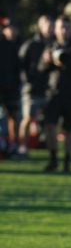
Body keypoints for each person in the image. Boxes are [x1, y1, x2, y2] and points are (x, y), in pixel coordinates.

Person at [38, 15, 71, 173]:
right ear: (56, 29)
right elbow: (40, 69)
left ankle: (67, 162)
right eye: (61, 27)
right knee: (50, 125)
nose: (64, 31)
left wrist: (65, 62)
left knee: (68, 129)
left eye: (67, 27)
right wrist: (47, 61)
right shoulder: (51, 45)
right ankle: (53, 159)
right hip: (53, 92)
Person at [18, 15, 54, 156]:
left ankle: (51, 152)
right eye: (46, 25)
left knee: (50, 122)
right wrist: (28, 81)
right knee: (28, 118)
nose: (49, 28)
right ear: (40, 26)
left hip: (49, 89)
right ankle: (22, 147)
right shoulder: (31, 45)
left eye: (51, 26)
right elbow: (21, 65)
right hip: (32, 89)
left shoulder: (55, 44)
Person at [0, 17, 21, 154]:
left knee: (13, 116)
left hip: (13, 87)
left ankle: (13, 144)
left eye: (14, 28)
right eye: (8, 28)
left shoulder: (18, 45)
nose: (11, 31)